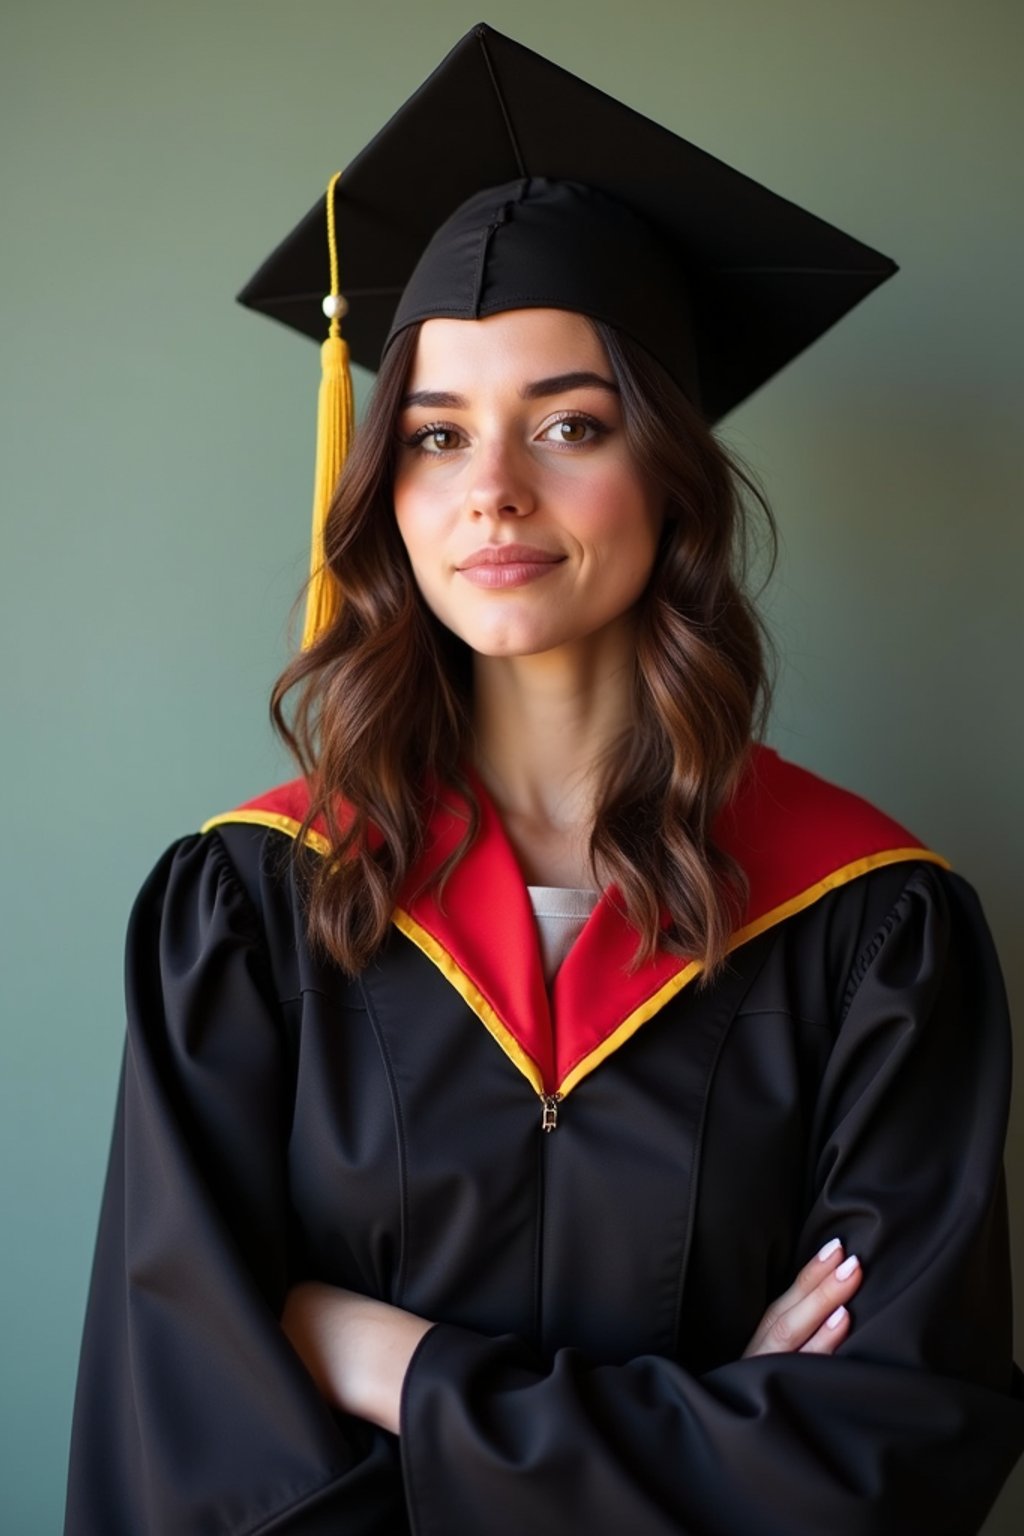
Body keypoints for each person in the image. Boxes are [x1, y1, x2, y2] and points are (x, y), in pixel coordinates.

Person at [64, 22, 1024, 1536]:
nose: (493, 489)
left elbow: (885, 1463)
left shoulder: (874, 931)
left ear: (669, 470)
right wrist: (709, 1429)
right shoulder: (252, 907)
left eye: (569, 424)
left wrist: (396, 1364)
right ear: (387, 488)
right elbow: (192, 1448)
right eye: (438, 436)